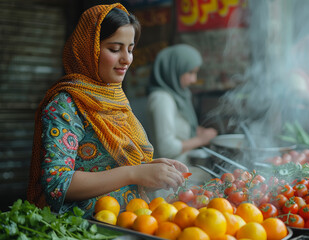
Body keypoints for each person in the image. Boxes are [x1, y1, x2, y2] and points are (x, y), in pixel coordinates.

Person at [27, 3, 188, 218]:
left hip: (129, 223)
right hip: (84, 228)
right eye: (115, 49)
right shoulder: (65, 104)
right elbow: (57, 183)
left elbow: (110, 167)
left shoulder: (115, 99)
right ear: (89, 49)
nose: (127, 59)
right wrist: (134, 172)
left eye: (130, 49)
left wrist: (151, 170)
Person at [147, 44, 218, 184]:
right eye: (190, 73)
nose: (193, 79)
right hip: (167, 183)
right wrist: (201, 139)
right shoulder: (162, 99)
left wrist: (195, 131)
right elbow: (166, 148)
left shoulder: (177, 96)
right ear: (173, 70)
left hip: (177, 174)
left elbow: (176, 128)